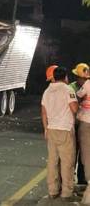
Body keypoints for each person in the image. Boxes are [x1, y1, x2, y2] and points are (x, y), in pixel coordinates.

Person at [41, 66, 78, 200]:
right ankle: (67, 193)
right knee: (67, 162)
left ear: (54, 77)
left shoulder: (47, 91)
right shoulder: (68, 90)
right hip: (65, 130)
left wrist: (46, 129)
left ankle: (53, 190)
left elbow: (43, 112)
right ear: (65, 77)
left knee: (52, 162)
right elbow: (74, 109)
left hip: (51, 130)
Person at [70, 63, 89, 186]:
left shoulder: (86, 86)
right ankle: (71, 178)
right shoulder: (71, 87)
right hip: (75, 123)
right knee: (74, 152)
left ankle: (82, 179)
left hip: (83, 123)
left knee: (84, 152)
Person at [76, 65, 90, 204]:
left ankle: (87, 185)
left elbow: (77, 98)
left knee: (86, 156)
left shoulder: (87, 85)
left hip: (86, 122)